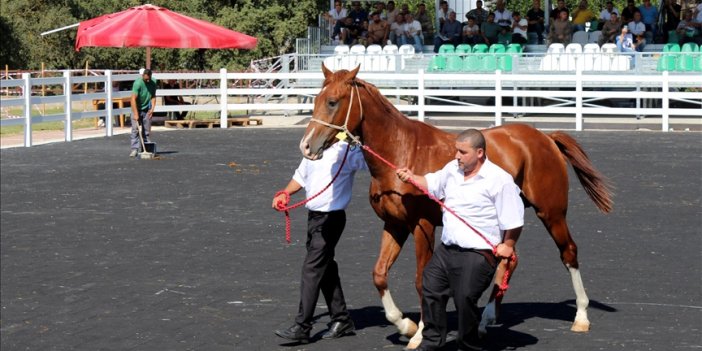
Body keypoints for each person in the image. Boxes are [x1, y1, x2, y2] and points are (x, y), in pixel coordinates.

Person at [395, 129, 524, 351]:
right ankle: (432, 342)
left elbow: (513, 220)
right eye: (456, 150)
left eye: (462, 152)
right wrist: (411, 177)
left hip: (478, 254)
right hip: (447, 250)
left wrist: (508, 244)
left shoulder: (500, 181)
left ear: (480, 152)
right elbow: (431, 183)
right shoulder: (452, 170)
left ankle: (468, 344)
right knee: (430, 285)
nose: (457, 156)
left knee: (464, 297)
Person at [272, 140, 367, 344]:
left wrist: (361, 143)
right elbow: (300, 176)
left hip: (331, 219)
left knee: (312, 269)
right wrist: (286, 192)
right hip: (314, 218)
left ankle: (302, 326)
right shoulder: (313, 149)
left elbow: (370, 162)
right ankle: (341, 319)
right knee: (326, 269)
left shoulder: (346, 151)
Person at [129, 69, 157, 158]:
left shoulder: (153, 82)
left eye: (149, 79)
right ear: (143, 76)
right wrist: (136, 113)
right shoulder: (138, 83)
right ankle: (134, 149)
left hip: (147, 109)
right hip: (136, 108)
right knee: (135, 129)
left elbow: (153, 96)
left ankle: (146, 148)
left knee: (147, 130)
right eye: (146, 79)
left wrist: (152, 108)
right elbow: (132, 99)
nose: (147, 81)